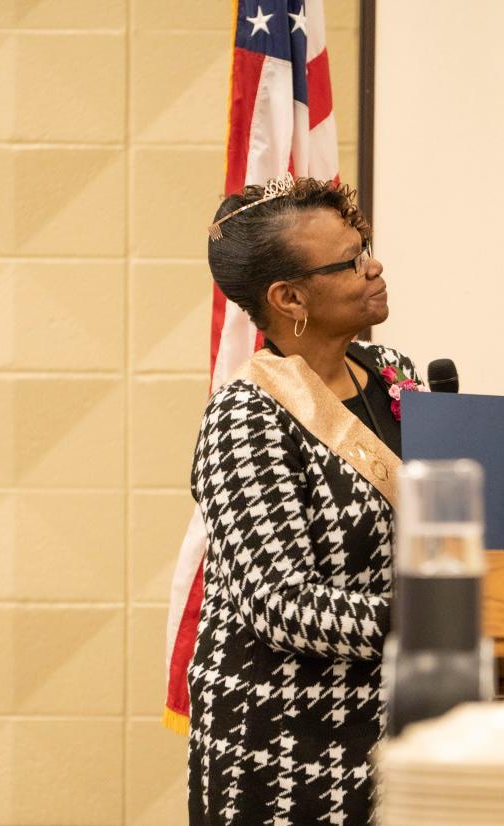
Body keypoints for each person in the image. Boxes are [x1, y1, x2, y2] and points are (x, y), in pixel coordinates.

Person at [188, 173, 420, 824]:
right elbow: (279, 602)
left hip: (403, 728)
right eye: (350, 261)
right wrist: (437, 617)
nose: (373, 267)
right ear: (289, 297)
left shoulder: (394, 374)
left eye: (366, 245)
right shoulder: (247, 415)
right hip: (288, 741)